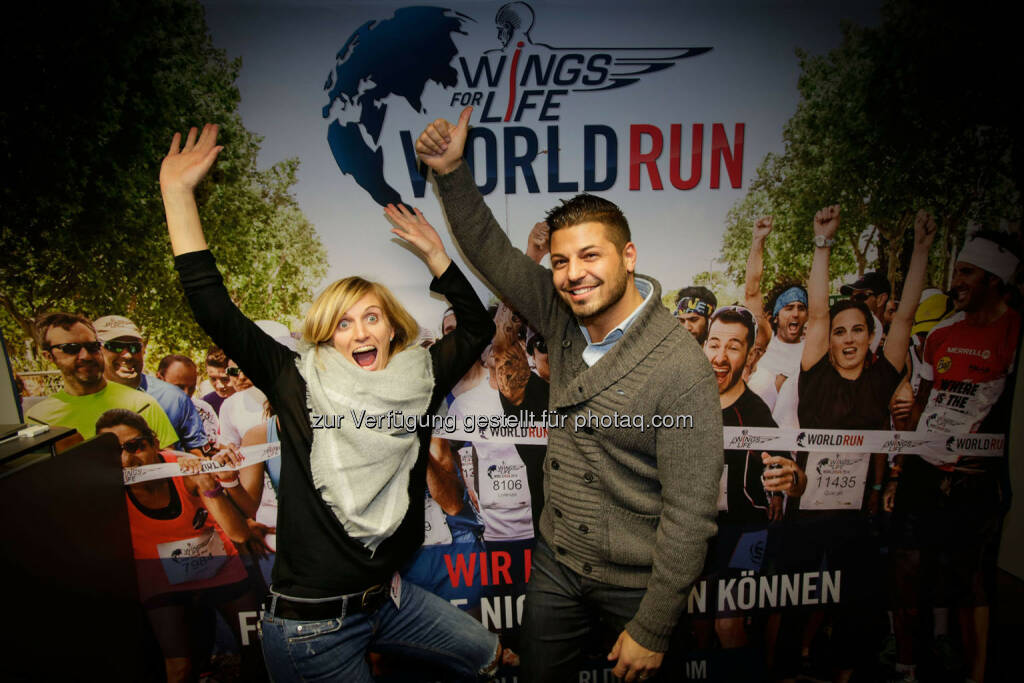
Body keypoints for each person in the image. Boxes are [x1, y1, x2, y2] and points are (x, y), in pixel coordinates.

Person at [160, 123, 500, 682]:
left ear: (392, 329)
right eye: (343, 323)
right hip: (312, 628)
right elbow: (213, 306)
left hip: (389, 599)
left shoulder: (419, 379)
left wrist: (438, 254)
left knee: (487, 655)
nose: (360, 332)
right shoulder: (296, 380)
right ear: (327, 337)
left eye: (372, 317)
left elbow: (478, 323)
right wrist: (177, 195)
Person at [412, 107, 721, 682]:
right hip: (557, 565)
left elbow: (692, 512)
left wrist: (653, 625)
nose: (574, 273)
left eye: (590, 255)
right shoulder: (560, 317)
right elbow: (494, 252)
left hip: (637, 581)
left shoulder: (680, 368)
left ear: (628, 257)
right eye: (560, 261)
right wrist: (451, 174)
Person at [780, 206, 934, 683]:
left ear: (872, 339)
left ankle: (844, 672)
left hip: (857, 518)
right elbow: (821, 310)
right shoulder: (815, 373)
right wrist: (822, 243)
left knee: (854, 608)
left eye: (858, 331)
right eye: (840, 332)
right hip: (805, 512)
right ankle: (788, 670)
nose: (847, 339)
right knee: (794, 606)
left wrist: (923, 250)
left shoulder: (880, 379)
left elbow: (905, 314)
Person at [887, 231, 1020, 683]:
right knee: (906, 566)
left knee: (971, 581)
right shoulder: (941, 334)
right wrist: (906, 436)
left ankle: (976, 674)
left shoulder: (1015, 331)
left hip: (977, 478)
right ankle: (906, 668)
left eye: (965, 273)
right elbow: (924, 401)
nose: (955, 281)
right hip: (924, 468)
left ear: (993, 278)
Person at [96, 408, 263, 683]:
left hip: (219, 569)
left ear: (154, 443)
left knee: (255, 642)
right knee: (179, 668)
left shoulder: (184, 468)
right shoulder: (105, 486)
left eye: (135, 446)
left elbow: (239, 533)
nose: (127, 460)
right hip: (161, 581)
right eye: (115, 451)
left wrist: (209, 486)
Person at [700, 305, 804, 656]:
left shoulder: (757, 413)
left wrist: (792, 481)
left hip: (744, 533)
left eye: (733, 346)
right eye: (714, 344)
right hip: (694, 533)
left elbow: (792, 477)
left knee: (728, 624)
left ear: (750, 355)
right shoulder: (683, 404)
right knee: (696, 623)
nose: (720, 355)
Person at [26, 312, 179, 452]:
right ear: (48, 356)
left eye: (92, 347)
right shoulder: (38, 419)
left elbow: (167, 461)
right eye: (71, 349)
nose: (85, 356)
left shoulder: (142, 404)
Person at [94, 315, 207, 455]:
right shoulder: (80, 400)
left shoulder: (173, 398)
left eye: (134, 347)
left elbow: (197, 452)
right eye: (116, 347)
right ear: (96, 351)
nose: (128, 355)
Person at [743, 216, 809, 419]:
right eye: (789, 308)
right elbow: (752, 292)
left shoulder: (812, 349)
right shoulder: (765, 341)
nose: (796, 313)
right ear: (776, 315)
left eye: (801, 307)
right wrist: (758, 241)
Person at [201, 346, 235, 415]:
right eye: (213, 379)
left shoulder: (256, 399)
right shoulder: (206, 404)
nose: (219, 386)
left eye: (225, 379)